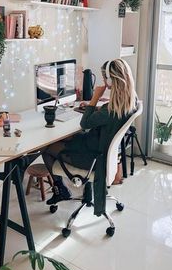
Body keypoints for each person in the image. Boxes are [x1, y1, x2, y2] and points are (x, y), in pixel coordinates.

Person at [42, 58, 138, 212]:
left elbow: (84, 124)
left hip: (94, 159)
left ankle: (61, 191)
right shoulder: (130, 102)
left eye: (104, 78)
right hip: (102, 152)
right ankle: (73, 189)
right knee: (67, 138)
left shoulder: (110, 110)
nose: (103, 81)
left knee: (47, 149)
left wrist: (95, 98)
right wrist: (96, 106)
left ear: (111, 80)